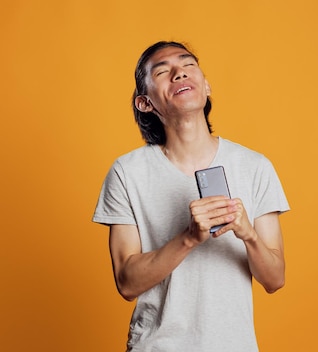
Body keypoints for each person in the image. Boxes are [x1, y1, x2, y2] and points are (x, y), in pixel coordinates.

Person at [92, 41, 290, 352]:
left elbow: (274, 279)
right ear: (144, 103)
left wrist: (248, 234)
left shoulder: (255, 167)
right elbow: (127, 283)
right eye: (162, 71)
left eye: (188, 65)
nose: (179, 74)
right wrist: (189, 237)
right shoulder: (127, 172)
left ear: (206, 85)